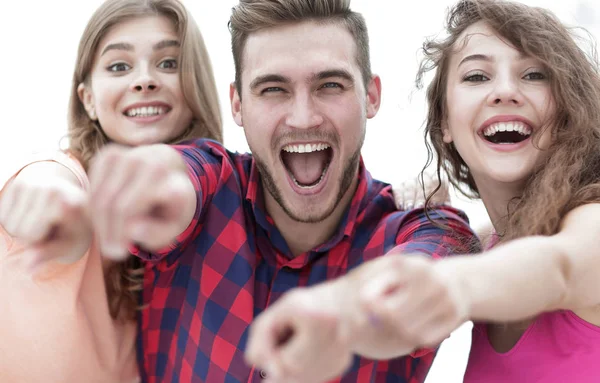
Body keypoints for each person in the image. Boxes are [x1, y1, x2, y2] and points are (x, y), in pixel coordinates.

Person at [84, 0, 476, 382]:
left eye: (330, 85)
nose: (303, 118)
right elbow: (176, 176)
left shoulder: (424, 228)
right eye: (273, 89)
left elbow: (437, 267)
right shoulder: (212, 184)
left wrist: (343, 310)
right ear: (237, 103)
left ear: (370, 95)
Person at [247, 1, 600, 382]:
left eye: (533, 74)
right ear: (444, 122)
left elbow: (558, 267)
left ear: (567, 108)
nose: (505, 91)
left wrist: (446, 285)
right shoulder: (491, 245)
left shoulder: (590, 224)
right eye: (477, 76)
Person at [0, 0, 221, 381]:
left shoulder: (213, 203)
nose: (144, 80)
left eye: (168, 63)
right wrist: (60, 204)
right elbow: (46, 181)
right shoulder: (66, 173)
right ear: (88, 99)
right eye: (120, 66)